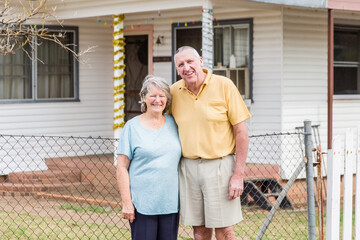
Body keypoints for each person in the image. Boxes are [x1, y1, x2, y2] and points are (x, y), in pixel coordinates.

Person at [171, 46, 251, 240]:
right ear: (177, 69)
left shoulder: (224, 85)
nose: (186, 68)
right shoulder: (173, 92)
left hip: (219, 166)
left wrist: (238, 175)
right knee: (199, 231)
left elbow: (241, 132)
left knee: (225, 231)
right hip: (188, 167)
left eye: (190, 62)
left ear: (200, 62)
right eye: (181, 64)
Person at [116, 75, 182, 240]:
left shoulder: (175, 123)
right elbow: (122, 167)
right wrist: (126, 202)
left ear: (167, 99)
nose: (157, 100)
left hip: (170, 204)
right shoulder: (132, 127)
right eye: (152, 95)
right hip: (142, 206)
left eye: (162, 96)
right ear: (143, 97)